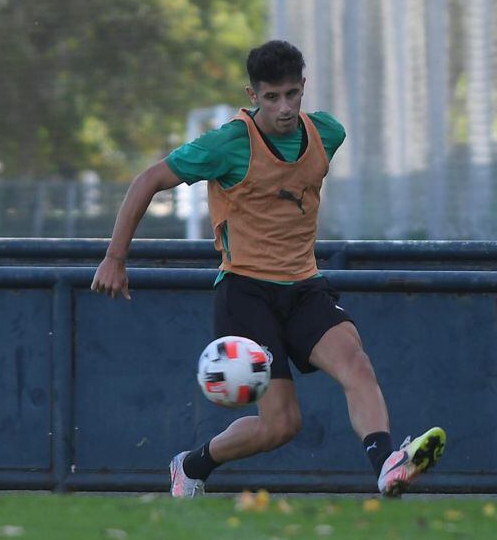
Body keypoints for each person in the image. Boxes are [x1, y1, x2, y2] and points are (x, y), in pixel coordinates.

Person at [91, 40, 445, 498]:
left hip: (305, 287)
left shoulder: (327, 134)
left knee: (356, 365)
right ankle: (191, 465)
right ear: (253, 94)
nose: (284, 108)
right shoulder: (228, 144)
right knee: (281, 425)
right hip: (246, 292)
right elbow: (149, 180)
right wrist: (115, 258)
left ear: (304, 88)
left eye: (292, 94)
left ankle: (386, 464)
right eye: (272, 96)